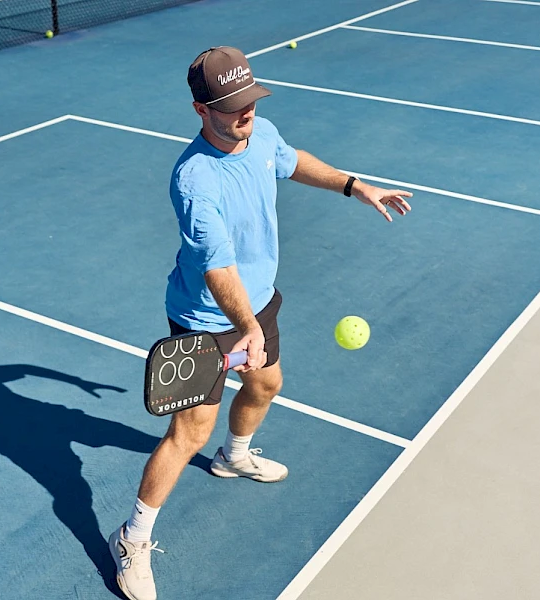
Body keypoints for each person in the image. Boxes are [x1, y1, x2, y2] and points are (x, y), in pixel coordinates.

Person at [108, 46, 412, 600]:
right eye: (230, 106)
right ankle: (131, 536)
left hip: (259, 301)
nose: (244, 113)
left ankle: (234, 456)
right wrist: (244, 327)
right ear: (201, 109)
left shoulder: (259, 131)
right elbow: (216, 266)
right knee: (189, 432)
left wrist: (352, 184)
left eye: (249, 100)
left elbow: (290, 159)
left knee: (266, 382)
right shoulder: (195, 180)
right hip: (207, 318)